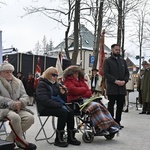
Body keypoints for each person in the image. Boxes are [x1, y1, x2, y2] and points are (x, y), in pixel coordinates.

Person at [63, 65, 120, 135]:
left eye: (77, 73)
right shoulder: (68, 81)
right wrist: (83, 90)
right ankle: (100, 127)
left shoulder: (81, 81)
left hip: (85, 100)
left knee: (101, 105)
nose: (77, 75)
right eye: (75, 73)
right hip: (76, 102)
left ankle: (110, 126)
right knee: (95, 106)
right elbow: (73, 90)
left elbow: (89, 93)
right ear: (70, 74)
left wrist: (81, 92)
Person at [36, 66, 81, 147]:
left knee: (70, 112)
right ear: (48, 75)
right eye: (53, 75)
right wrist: (59, 105)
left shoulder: (56, 84)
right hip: (44, 107)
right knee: (63, 112)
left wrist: (62, 93)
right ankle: (58, 138)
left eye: (56, 75)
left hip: (55, 105)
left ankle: (71, 137)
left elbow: (62, 99)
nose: (55, 77)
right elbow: (44, 100)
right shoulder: (42, 84)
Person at [0, 62, 36, 150]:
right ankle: (22, 142)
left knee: (30, 118)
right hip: (3, 108)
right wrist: (11, 103)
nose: (9, 74)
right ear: (1, 72)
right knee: (15, 118)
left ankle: (10, 140)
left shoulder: (18, 82)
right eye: (6, 72)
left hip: (18, 107)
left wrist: (20, 102)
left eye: (10, 72)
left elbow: (25, 95)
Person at [102, 44, 129, 129]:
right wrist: (115, 81)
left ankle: (118, 121)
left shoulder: (123, 61)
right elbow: (105, 73)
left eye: (118, 49)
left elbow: (127, 73)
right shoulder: (107, 61)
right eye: (116, 49)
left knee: (120, 105)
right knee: (111, 106)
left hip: (121, 88)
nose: (118, 51)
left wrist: (124, 81)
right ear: (112, 50)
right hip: (112, 88)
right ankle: (111, 122)